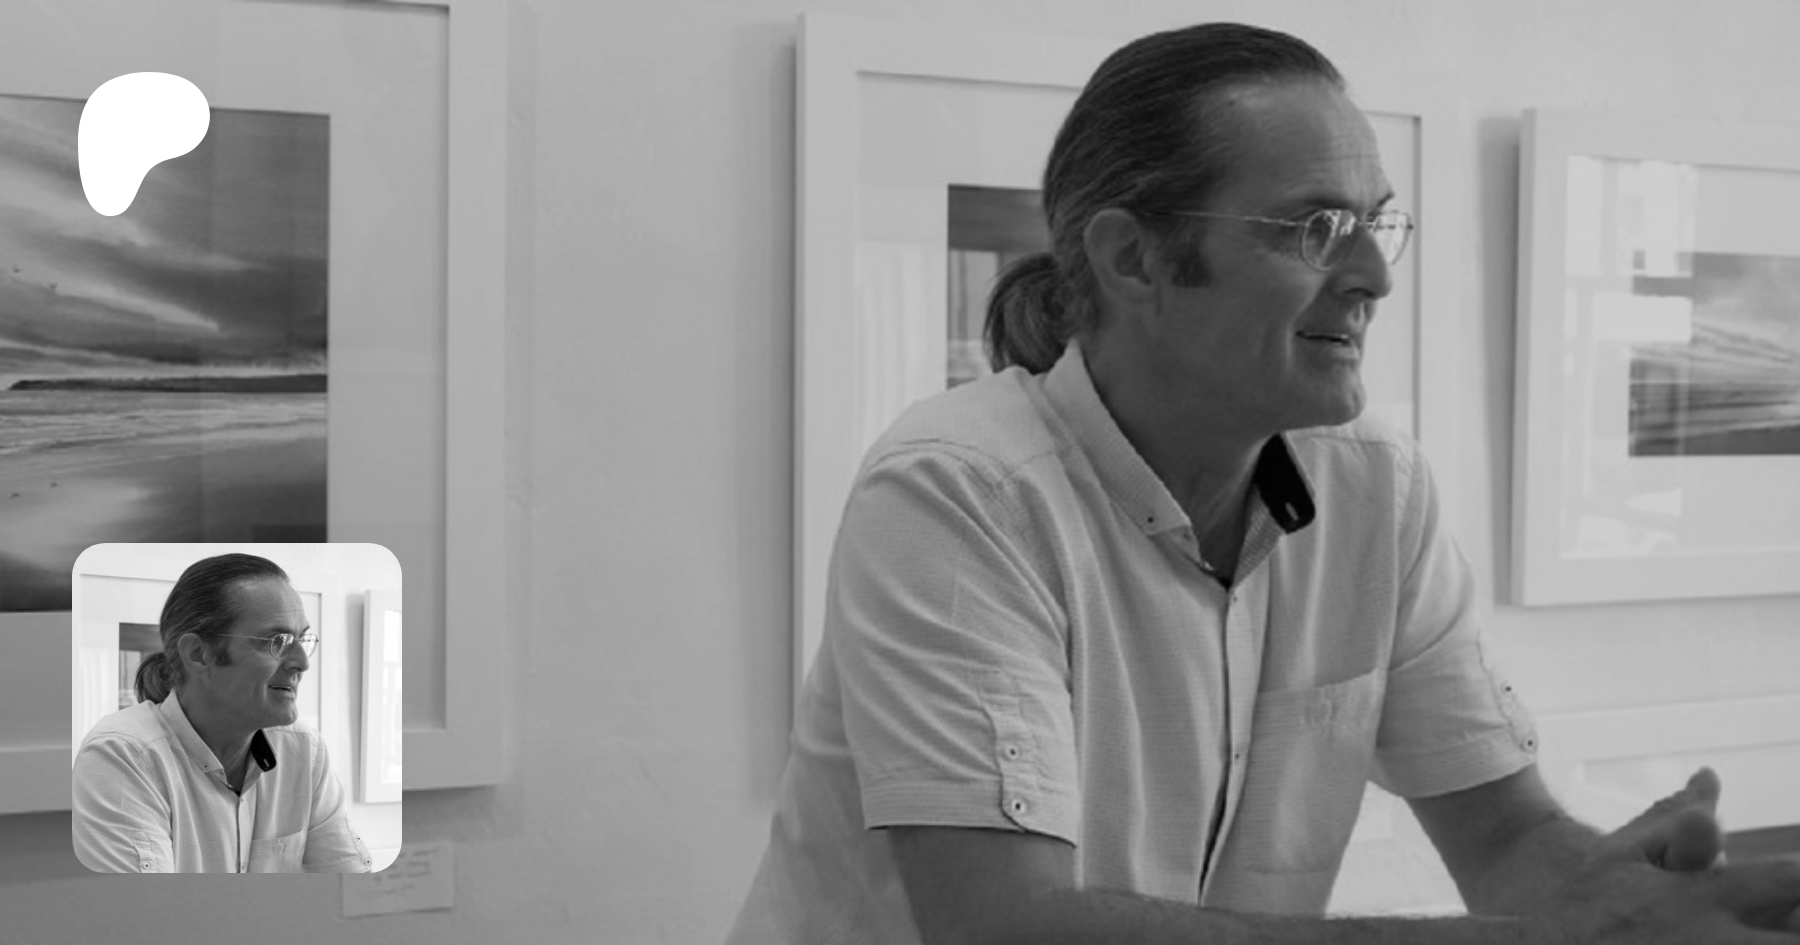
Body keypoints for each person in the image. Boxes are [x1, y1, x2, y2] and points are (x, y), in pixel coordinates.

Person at [727, 21, 1800, 945]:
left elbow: (1508, 837)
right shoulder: (957, 492)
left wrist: (1615, 894)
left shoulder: (1378, 490)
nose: (1373, 275)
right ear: (1134, 258)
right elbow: (1005, 927)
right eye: (1316, 228)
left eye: (1377, 224)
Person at [71, 553, 372, 873]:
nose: (302, 662)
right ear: (198, 654)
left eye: (302, 639)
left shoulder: (303, 750)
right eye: (278, 641)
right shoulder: (123, 756)